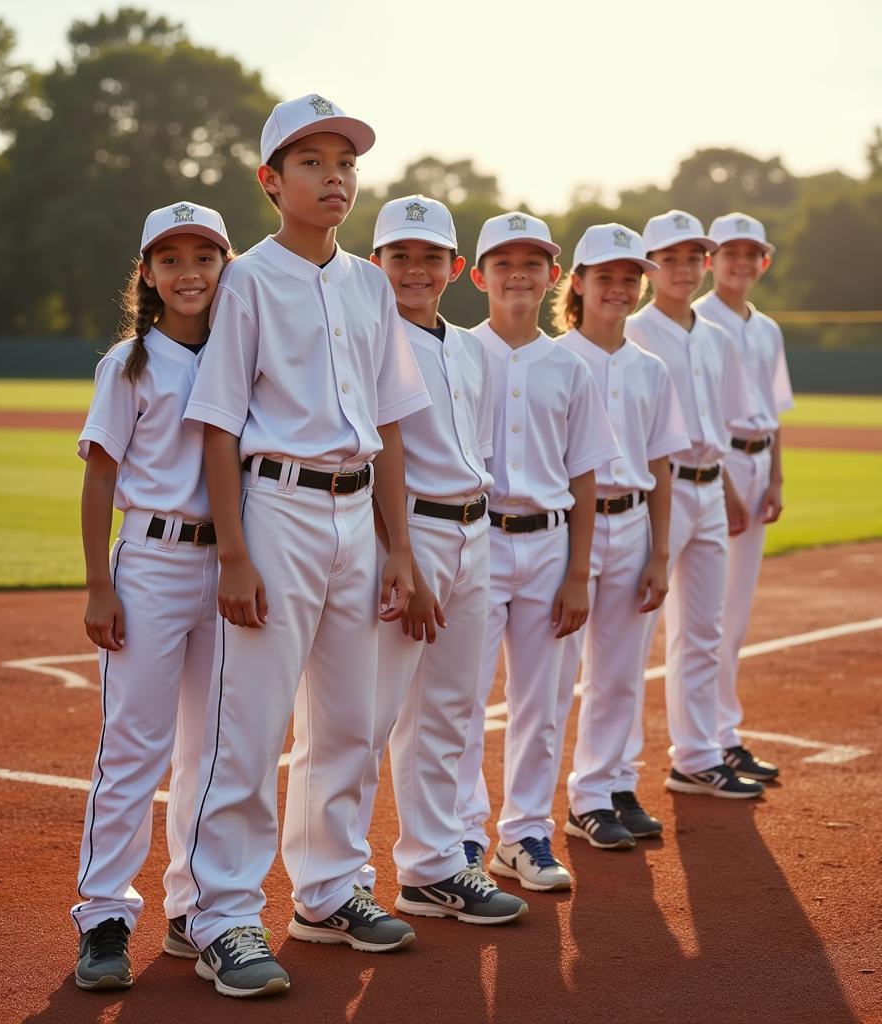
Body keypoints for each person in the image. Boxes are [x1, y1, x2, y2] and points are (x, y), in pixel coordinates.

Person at [182, 95, 431, 998]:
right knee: (247, 724)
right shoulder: (245, 278)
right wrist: (235, 553)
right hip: (276, 506)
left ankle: (328, 891)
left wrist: (398, 546)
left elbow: (393, 422)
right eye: (314, 162)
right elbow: (216, 424)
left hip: (356, 514)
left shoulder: (369, 283)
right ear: (270, 180)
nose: (336, 177)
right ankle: (222, 917)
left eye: (346, 163)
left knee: (351, 723)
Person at [71, 200, 233, 990]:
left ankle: (196, 911)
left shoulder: (245, 355)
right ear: (148, 273)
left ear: (225, 265)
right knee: (134, 746)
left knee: (214, 750)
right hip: (154, 564)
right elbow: (100, 475)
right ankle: (104, 915)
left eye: (204, 255)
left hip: (231, 567)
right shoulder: (128, 364)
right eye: (170, 258)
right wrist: (100, 583)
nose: (189, 271)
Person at [356, 194, 527, 926]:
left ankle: (431, 868)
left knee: (452, 713)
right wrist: (402, 553)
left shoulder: (468, 347)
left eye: (430, 257)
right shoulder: (367, 338)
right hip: (406, 534)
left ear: (456, 268)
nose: (415, 269)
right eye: (401, 256)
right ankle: (339, 878)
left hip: (472, 529)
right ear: (377, 264)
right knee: (369, 715)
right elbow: (367, 457)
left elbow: (475, 451)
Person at [455, 212, 620, 891]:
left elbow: (585, 472)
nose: (518, 274)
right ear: (479, 274)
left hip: (551, 543)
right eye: (504, 262)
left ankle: (524, 835)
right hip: (476, 536)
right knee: (460, 699)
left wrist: (580, 571)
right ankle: (462, 835)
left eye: (532, 262)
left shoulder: (572, 365)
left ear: (553, 275)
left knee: (543, 702)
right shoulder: (456, 351)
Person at [551, 224, 689, 849]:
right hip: (564, 529)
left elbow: (661, 464)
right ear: (577, 282)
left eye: (630, 277)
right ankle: (560, 804)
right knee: (554, 675)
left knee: (621, 670)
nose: (619, 288)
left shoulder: (651, 369)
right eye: (604, 276)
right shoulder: (555, 358)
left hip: (633, 522)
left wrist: (661, 551)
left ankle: (603, 788)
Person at [623, 210, 765, 800]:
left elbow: (719, 425)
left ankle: (698, 755)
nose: (683, 270)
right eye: (670, 259)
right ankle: (615, 779)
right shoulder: (632, 329)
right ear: (651, 268)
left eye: (692, 258)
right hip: (659, 491)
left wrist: (730, 487)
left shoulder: (718, 336)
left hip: (709, 487)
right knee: (632, 635)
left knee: (703, 629)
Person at [695, 212, 793, 782]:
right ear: (713, 260)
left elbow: (774, 414)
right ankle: (707, 741)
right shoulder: (699, 321)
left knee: (734, 613)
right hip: (719, 466)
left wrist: (775, 477)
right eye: (729, 251)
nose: (739, 261)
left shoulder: (767, 328)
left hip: (758, 462)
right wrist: (729, 482)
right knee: (707, 615)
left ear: (765, 260)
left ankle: (724, 733)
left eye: (749, 252)